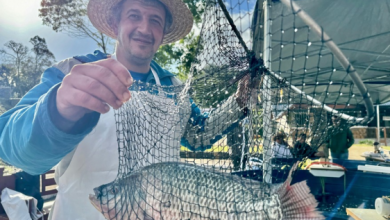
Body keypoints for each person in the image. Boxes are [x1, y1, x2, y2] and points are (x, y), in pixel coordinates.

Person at [0, 0, 253, 219]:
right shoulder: (72, 71)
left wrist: (240, 101)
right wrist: (58, 108)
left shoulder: (174, 87)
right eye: (134, 15)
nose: (144, 28)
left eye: (155, 20)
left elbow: (199, 134)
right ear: (114, 24)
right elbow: (12, 147)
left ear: (163, 33)